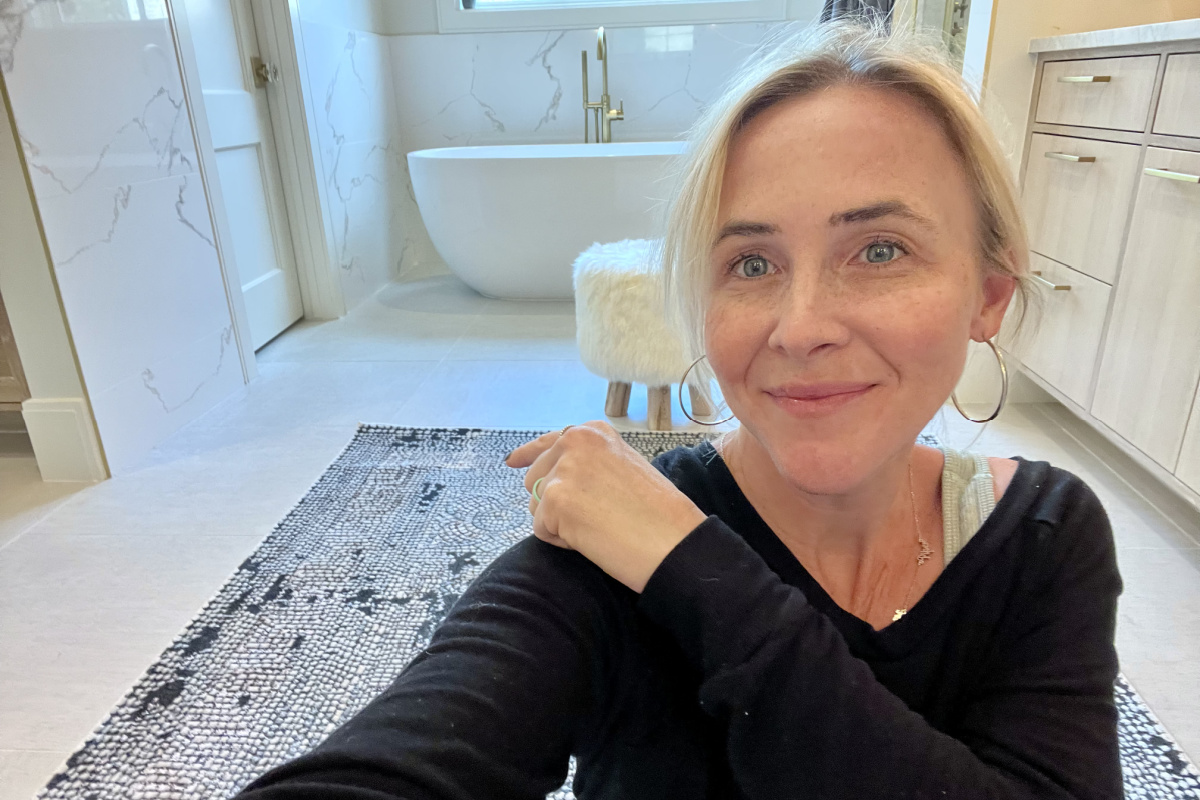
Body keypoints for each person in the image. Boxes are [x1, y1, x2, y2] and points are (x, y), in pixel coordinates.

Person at [233, 19, 1123, 800]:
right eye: (751, 264)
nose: (801, 328)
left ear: (988, 295)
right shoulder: (606, 552)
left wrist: (697, 569)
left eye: (880, 249)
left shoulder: (1045, 537)